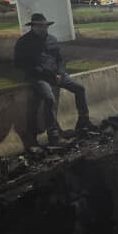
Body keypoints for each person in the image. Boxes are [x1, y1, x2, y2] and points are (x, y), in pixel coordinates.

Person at [13, 12, 92, 145]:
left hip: (56, 75)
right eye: (39, 26)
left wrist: (61, 72)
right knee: (49, 98)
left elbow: (60, 59)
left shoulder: (52, 39)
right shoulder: (24, 42)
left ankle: (84, 121)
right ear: (33, 27)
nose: (43, 28)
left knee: (79, 88)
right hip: (37, 77)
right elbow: (20, 64)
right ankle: (53, 135)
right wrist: (45, 73)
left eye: (44, 26)